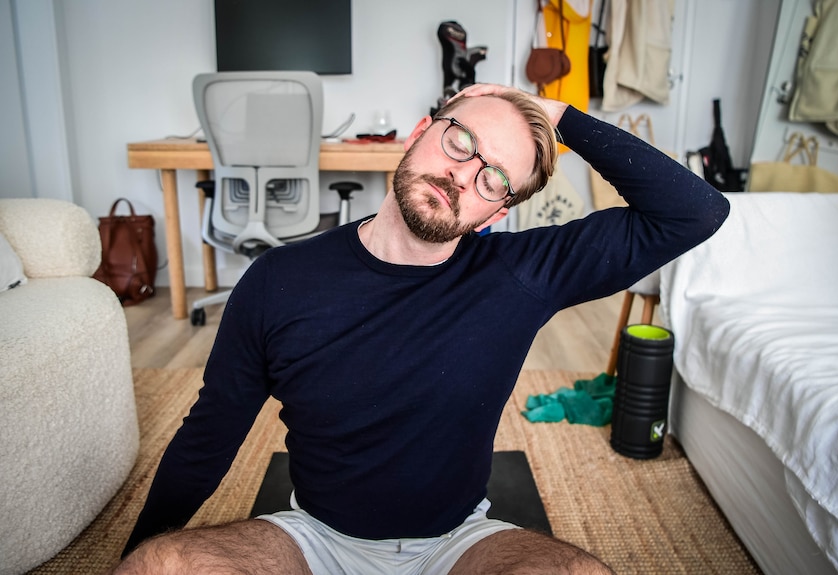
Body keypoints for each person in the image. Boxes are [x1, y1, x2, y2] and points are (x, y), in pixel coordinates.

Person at [111, 84, 729, 574]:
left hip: (458, 543)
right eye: (462, 142)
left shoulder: (524, 273)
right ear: (420, 133)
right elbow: (208, 438)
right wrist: (134, 552)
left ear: (498, 211)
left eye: (494, 177)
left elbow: (696, 211)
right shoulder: (279, 280)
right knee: (161, 566)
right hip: (316, 540)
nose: (464, 175)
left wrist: (559, 114)